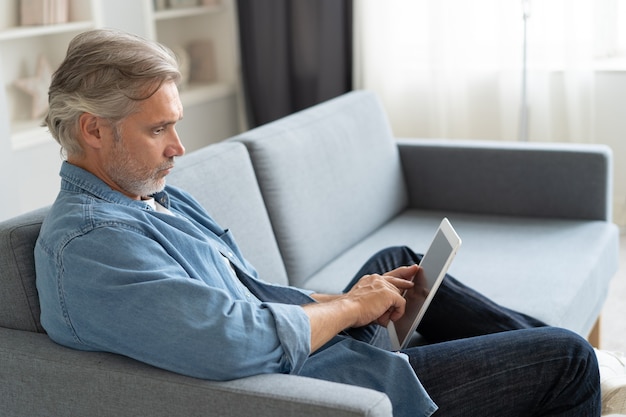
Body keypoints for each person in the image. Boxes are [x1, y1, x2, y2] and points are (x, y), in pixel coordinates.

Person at [34, 28, 623, 417]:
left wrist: (353, 299)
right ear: (92, 129)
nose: (178, 147)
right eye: (158, 129)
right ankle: (581, 370)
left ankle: (587, 367)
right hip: (327, 385)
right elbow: (238, 340)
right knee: (563, 356)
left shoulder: (146, 196)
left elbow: (250, 297)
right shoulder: (93, 247)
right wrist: (349, 309)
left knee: (396, 266)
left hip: (310, 348)